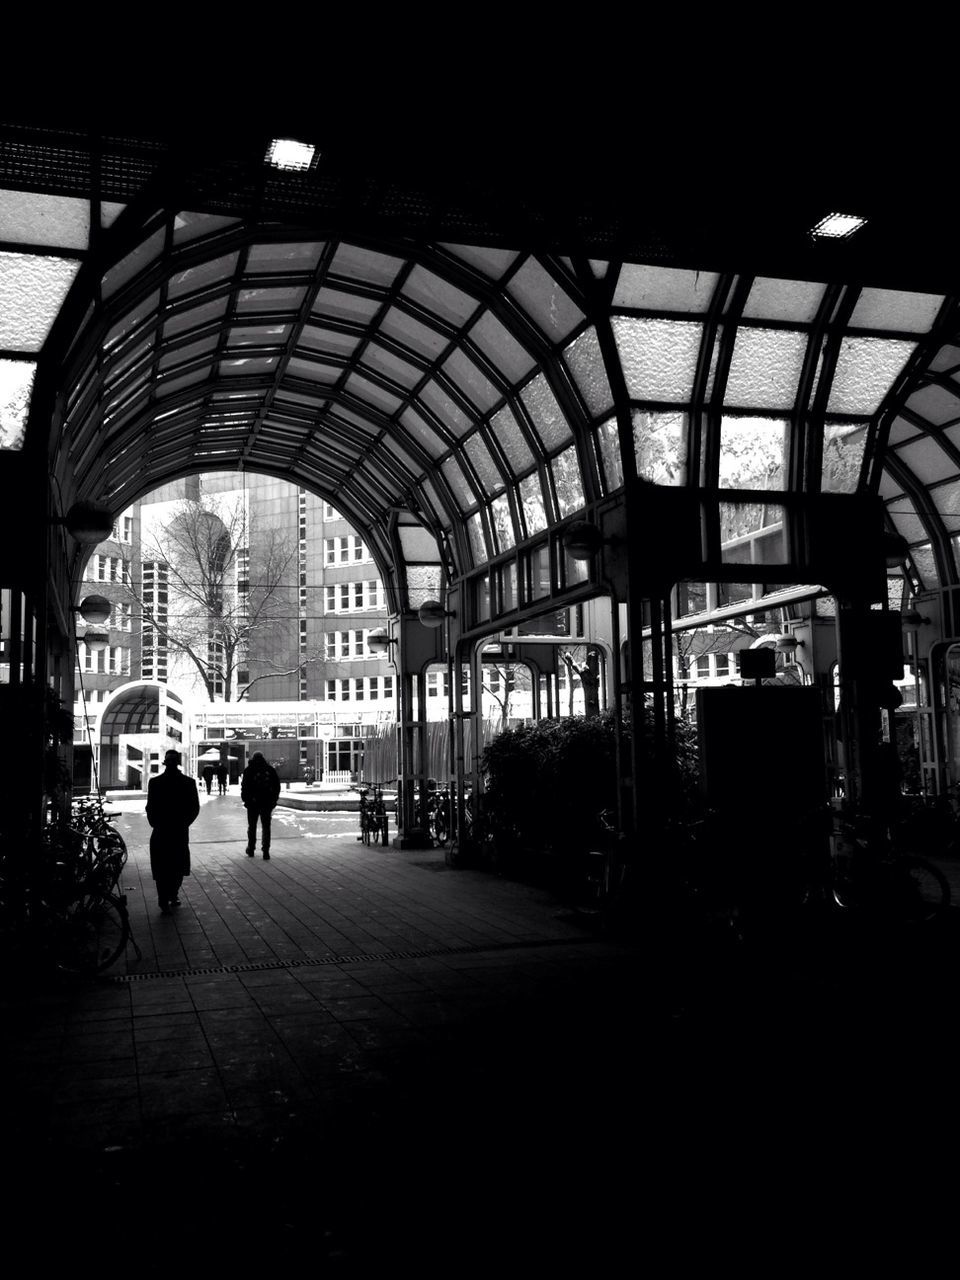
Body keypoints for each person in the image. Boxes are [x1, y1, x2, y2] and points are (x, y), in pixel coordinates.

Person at [146, 749, 200, 914]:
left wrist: (155, 823)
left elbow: (150, 807)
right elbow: (194, 808)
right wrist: (184, 823)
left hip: (161, 830)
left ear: (165, 762)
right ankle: (173, 893)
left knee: (161, 865)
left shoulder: (155, 783)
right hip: (178, 830)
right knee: (178, 864)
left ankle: (163, 897)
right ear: (178, 763)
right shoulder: (188, 783)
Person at [241, 750, 281, 859]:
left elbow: (244, 787)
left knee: (252, 826)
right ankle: (266, 850)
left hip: (253, 804)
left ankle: (251, 849)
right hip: (267, 803)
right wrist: (274, 801)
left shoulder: (249, 770)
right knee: (266, 827)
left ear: (253, 758)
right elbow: (277, 786)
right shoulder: (270, 770)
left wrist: (246, 800)